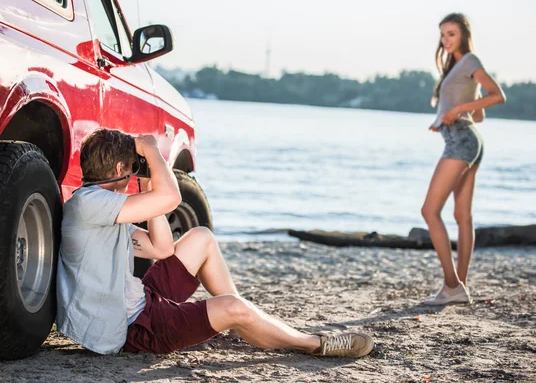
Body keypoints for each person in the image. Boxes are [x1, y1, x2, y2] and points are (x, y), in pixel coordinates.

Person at [56, 128, 374, 357]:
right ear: (120, 169)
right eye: (132, 168)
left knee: (201, 238)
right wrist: (152, 151)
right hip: (136, 326)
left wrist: (146, 190)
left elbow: (162, 249)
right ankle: (313, 344)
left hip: (139, 300)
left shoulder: (100, 207)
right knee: (231, 307)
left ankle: (245, 321)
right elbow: (173, 197)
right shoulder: (90, 204)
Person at [421, 13, 506, 305]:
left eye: (452, 34)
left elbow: (498, 95)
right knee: (462, 217)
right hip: (469, 139)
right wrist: (446, 118)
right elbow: (479, 114)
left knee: (429, 212)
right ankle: (459, 287)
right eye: (443, 34)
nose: (446, 40)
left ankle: (451, 285)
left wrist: (457, 112)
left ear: (464, 36)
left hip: (461, 141)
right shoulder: (457, 66)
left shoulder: (469, 60)